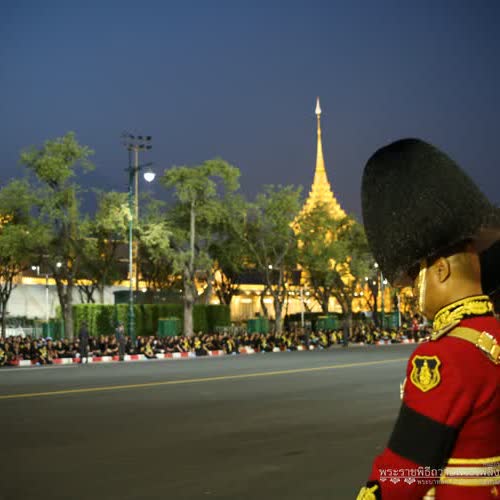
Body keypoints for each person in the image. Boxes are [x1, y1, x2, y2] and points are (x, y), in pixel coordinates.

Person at [356, 138, 500, 499]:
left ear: (440, 271)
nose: (411, 290)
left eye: (414, 277)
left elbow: (407, 474)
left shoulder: (444, 358)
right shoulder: (492, 337)